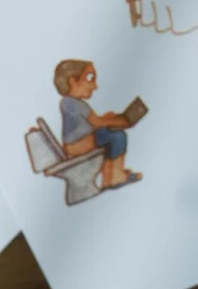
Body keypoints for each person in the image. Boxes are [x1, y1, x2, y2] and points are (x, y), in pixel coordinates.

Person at [54, 58, 141, 192]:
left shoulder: (71, 102)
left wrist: (107, 118)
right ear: (73, 81)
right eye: (90, 79)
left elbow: (93, 121)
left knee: (110, 134)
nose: (95, 86)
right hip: (78, 144)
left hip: (81, 141)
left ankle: (111, 175)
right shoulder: (71, 103)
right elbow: (96, 123)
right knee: (117, 136)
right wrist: (121, 121)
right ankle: (115, 177)